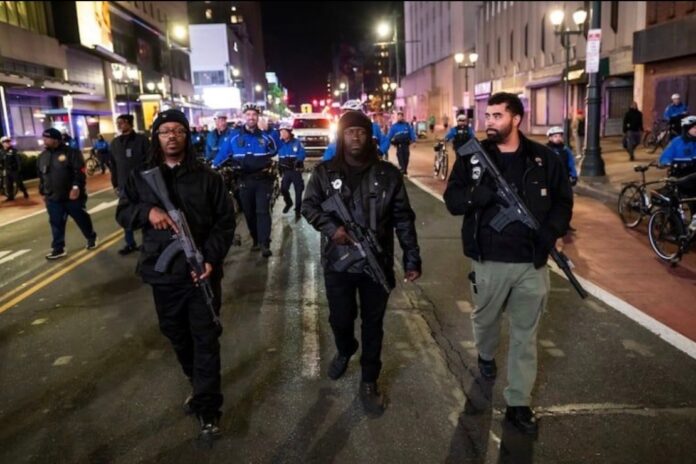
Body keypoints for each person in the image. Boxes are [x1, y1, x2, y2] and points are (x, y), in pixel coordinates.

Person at [443, 92, 573, 435]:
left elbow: (562, 201)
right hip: (489, 261)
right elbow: (452, 200)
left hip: (531, 263)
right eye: (488, 116)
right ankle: (486, 356)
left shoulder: (544, 159)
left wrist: (552, 231)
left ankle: (518, 403)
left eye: (497, 116)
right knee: (485, 322)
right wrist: (477, 197)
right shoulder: (473, 158)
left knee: (524, 336)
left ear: (516, 119)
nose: (489, 122)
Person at [116, 109, 236, 444]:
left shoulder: (208, 178)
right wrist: (147, 211)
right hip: (163, 272)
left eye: (178, 131)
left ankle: (208, 408)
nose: (172, 136)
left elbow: (225, 222)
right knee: (176, 333)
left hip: (201, 275)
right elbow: (122, 212)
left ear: (187, 136)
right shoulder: (141, 177)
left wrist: (211, 257)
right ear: (156, 137)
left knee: (205, 338)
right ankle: (196, 382)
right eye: (165, 131)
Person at [302, 110, 422, 415]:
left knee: (373, 325)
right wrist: (333, 229)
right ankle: (345, 349)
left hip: (376, 262)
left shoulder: (388, 174)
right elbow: (309, 206)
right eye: (349, 131)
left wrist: (411, 257)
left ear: (370, 136)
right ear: (341, 137)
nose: (355, 137)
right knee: (340, 319)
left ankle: (369, 379)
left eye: (361, 132)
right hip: (338, 263)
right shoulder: (324, 173)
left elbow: (403, 218)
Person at [213, 103, 277, 258]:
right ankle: (256, 239)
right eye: (248, 114)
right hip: (243, 180)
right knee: (249, 213)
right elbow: (222, 156)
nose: (251, 117)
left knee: (262, 211)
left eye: (254, 115)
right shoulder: (234, 138)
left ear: (258, 117)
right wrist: (211, 168)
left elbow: (275, 153)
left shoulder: (266, 138)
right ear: (244, 117)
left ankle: (264, 243)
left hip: (263, 181)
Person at [37, 128, 98, 260]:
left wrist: (76, 187)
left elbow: (80, 171)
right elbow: (42, 176)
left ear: (55, 139)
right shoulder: (43, 156)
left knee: (81, 218)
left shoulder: (72, 153)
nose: (44, 140)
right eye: (44, 138)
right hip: (53, 197)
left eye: (47, 138)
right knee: (56, 222)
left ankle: (91, 237)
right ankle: (58, 248)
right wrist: (42, 192)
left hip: (72, 197)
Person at [110, 114, 150, 256]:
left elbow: (150, 161)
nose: (118, 125)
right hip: (123, 186)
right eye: (117, 123)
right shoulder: (115, 143)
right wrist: (115, 184)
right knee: (127, 215)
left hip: (142, 185)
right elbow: (113, 166)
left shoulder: (142, 141)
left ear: (129, 123)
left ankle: (148, 243)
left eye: (121, 122)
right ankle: (130, 243)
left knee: (146, 214)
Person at [277, 122, 306, 219]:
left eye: (285, 132)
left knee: (299, 190)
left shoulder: (296, 142)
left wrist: (298, 160)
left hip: (295, 171)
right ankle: (288, 203)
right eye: (281, 132)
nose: (283, 134)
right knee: (283, 189)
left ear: (290, 132)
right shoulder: (279, 143)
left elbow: (302, 153)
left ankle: (298, 210)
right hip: (286, 171)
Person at [385, 111, 417, 175]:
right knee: (400, 156)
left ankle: (405, 169)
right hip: (399, 144)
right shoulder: (394, 126)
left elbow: (411, 133)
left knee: (406, 157)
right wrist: (386, 142)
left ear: (402, 117)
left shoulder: (407, 125)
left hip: (406, 144)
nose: (399, 118)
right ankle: (403, 168)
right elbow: (389, 135)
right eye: (398, 117)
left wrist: (413, 141)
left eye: (400, 116)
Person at [1, 136, 29, 200]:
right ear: (2, 143)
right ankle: (10, 197)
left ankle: (24, 192)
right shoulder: (1, 152)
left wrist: (19, 169)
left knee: (19, 183)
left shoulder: (14, 151)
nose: (8, 143)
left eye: (9, 141)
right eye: (6, 142)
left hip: (14, 170)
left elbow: (18, 160)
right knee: (8, 184)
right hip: (7, 170)